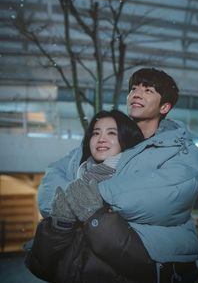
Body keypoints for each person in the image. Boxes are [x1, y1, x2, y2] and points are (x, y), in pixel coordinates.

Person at [36, 68, 198, 282]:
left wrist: (94, 197)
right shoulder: (110, 141)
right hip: (96, 261)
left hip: (155, 262)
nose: (136, 93)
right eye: (133, 88)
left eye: (148, 90)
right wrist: (63, 209)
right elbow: (55, 174)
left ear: (165, 107)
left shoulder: (181, 149)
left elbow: (168, 195)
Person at [25, 110, 156, 283]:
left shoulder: (137, 185)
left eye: (111, 133)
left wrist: (95, 218)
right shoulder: (75, 180)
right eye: (96, 133)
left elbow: (144, 268)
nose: (101, 138)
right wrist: (59, 226)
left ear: (126, 139)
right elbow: (40, 267)